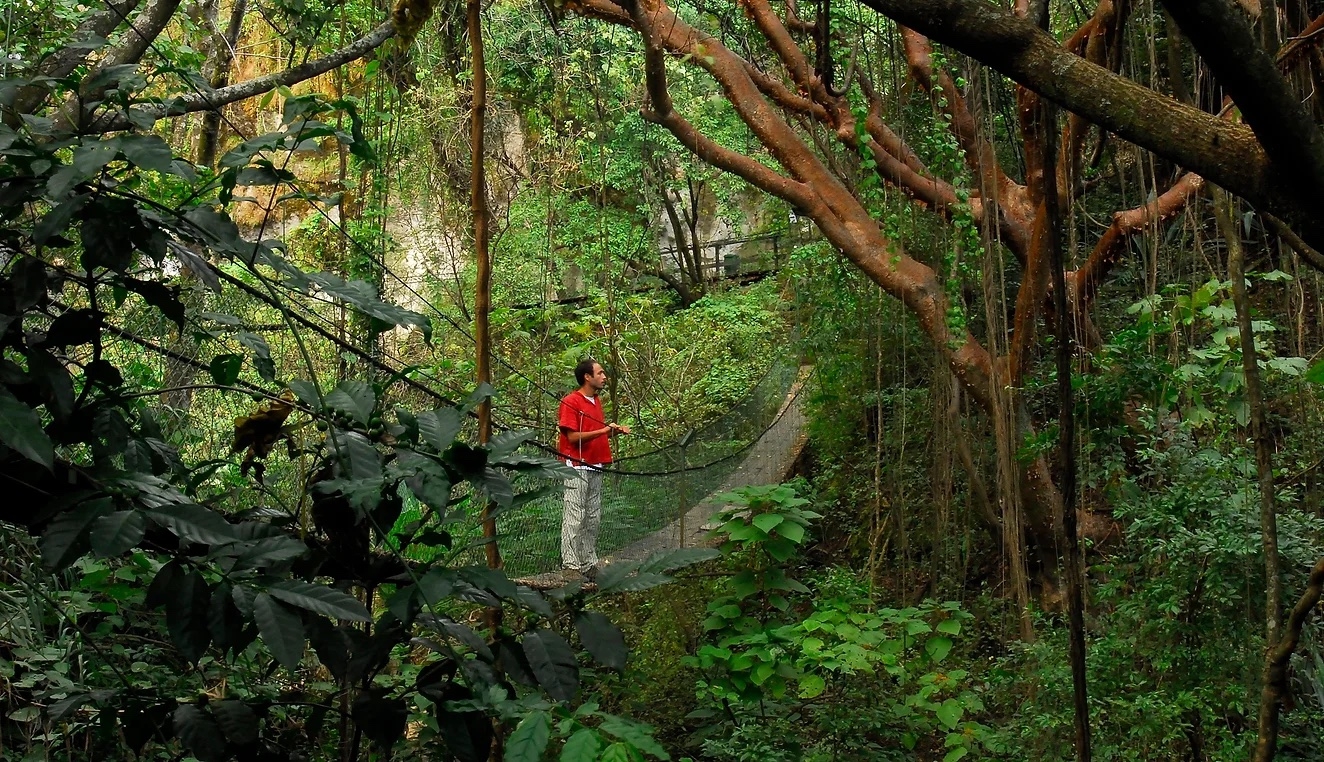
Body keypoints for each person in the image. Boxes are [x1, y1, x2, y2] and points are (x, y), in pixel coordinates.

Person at [558, 358, 630, 579]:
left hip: (595, 464)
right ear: (587, 377)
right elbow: (571, 437)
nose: (604, 377)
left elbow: (595, 433)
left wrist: (612, 431)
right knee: (575, 515)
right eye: (599, 373)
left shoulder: (596, 402)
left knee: (592, 516)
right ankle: (570, 566)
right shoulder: (571, 401)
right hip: (576, 465)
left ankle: (588, 563)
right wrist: (602, 431)